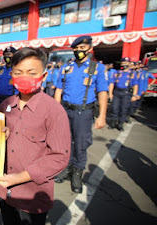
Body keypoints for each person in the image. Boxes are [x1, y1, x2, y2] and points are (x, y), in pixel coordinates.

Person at [0, 47, 71, 225]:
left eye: (31, 73)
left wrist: (19, 178)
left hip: (32, 196)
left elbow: (59, 157)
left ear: (43, 76)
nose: (24, 78)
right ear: (12, 75)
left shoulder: (54, 111)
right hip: (5, 190)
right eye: (19, 72)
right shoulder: (5, 105)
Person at [54, 36, 108, 193]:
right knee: (65, 142)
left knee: (81, 144)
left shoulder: (96, 68)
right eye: (76, 49)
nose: (79, 51)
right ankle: (66, 168)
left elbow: (103, 92)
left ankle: (77, 174)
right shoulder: (66, 67)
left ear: (89, 49)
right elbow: (58, 90)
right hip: (65, 110)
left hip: (83, 112)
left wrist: (102, 116)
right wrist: (57, 112)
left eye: (82, 48)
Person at [108, 57, 139, 131]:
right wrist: (110, 94)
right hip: (117, 92)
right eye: (123, 63)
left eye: (126, 63)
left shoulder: (132, 73)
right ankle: (113, 123)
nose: (124, 64)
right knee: (115, 108)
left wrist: (134, 95)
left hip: (126, 93)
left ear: (129, 64)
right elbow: (112, 83)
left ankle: (120, 124)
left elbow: (135, 85)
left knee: (123, 109)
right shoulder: (117, 73)